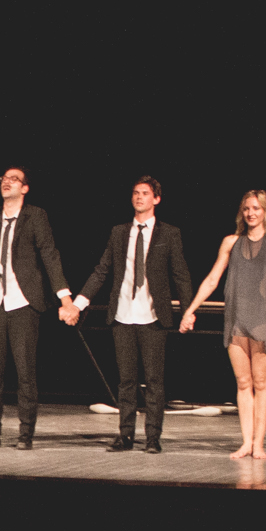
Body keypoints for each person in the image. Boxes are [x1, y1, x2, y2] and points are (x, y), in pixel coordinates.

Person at [65, 175, 194, 454]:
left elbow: (180, 274)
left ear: (156, 199)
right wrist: (78, 303)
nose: (139, 197)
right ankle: (125, 435)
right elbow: (102, 270)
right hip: (123, 314)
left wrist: (188, 311)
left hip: (153, 317)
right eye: (136, 192)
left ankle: (153, 438)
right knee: (126, 381)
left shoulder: (169, 233)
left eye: (145, 193)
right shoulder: (119, 232)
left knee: (154, 381)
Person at [0, 168, 74, 449]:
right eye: (4, 178)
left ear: (25, 188)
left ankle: (25, 434)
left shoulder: (36, 216)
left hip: (24, 302)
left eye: (14, 179)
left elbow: (50, 255)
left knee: (25, 371)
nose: (7, 182)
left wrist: (65, 298)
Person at [181, 189, 266, 460]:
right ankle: (246, 442)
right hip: (236, 319)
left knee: (260, 382)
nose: (251, 213)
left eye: (256, 208)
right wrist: (190, 310)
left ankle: (258, 443)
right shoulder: (230, 242)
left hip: (261, 319)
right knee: (243, 382)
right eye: (247, 208)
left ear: (265, 211)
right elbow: (212, 279)